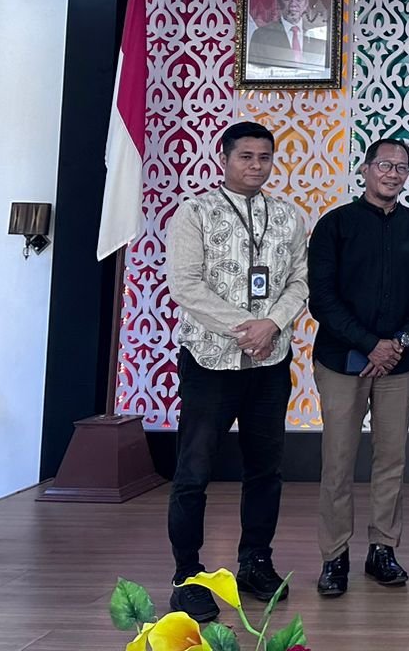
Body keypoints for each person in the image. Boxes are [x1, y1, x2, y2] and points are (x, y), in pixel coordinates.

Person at [164, 121, 310, 622]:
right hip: (210, 361)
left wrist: (271, 323)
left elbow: (299, 280)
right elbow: (184, 284)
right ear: (224, 158)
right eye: (246, 156)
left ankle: (255, 561)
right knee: (194, 472)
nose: (256, 165)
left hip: (269, 363)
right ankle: (188, 576)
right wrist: (244, 325)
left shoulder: (289, 216)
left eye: (264, 157)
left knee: (265, 468)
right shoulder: (195, 213)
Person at [308, 137, 409, 597]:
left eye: (402, 168)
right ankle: (335, 556)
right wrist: (371, 344)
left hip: (399, 364)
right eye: (384, 165)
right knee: (338, 462)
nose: (393, 174)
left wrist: (399, 341)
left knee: (391, 460)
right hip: (342, 362)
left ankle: (383, 548)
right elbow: (321, 299)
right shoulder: (335, 226)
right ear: (365, 169)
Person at [248, 0, 328, 71]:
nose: (293, 4)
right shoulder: (261, 35)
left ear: (306, 3)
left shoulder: (318, 37)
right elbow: (254, 72)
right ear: (279, 1)